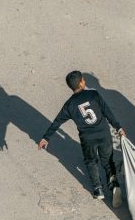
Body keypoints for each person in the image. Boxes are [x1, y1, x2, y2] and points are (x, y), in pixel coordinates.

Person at [38, 71, 125, 207]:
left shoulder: (69, 105)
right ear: (82, 82)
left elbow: (57, 122)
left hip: (87, 139)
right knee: (107, 161)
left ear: (71, 87)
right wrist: (118, 127)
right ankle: (114, 185)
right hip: (103, 134)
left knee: (91, 161)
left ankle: (98, 189)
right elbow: (107, 111)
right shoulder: (94, 94)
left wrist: (46, 138)